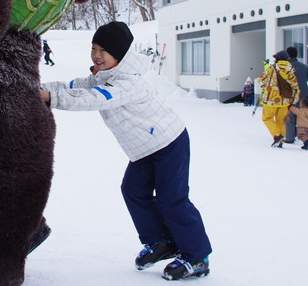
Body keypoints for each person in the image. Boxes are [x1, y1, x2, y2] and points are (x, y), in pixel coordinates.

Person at [40, 21, 211, 281]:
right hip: (144, 149)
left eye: (104, 50)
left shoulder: (128, 83)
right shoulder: (102, 76)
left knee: (172, 199)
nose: (97, 55)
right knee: (133, 190)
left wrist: (51, 99)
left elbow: (94, 98)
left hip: (169, 142)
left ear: (120, 54)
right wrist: (36, 88)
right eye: (94, 48)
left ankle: (197, 256)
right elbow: (74, 85)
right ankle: (161, 241)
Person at [258, 50, 300, 148]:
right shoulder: (290, 70)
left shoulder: (271, 68)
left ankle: (277, 136)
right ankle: (280, 142)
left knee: (267, 118)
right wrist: (294, 99)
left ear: (278, 58)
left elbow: (261, 81)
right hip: (285, 100)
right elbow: (295, 85)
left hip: (271, 100)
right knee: (281, 121)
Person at [285, 46, 308, 143]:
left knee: (290, 117)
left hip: (291, 95)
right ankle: (305, 138)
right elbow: (307, 78)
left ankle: (289, 137)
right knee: (303, 117)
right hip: (304, 94)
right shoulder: (304, 66)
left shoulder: (286, 68)